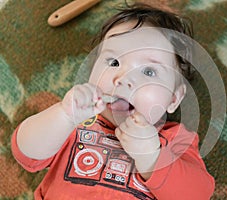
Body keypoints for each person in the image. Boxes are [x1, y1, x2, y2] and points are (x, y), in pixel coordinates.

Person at [11, 3, 215, 200]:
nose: (123, 78)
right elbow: (25, 152)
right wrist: (64, 116)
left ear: (173, 98)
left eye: (149, 71)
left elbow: (198, 194)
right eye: (114, 62)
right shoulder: (77, 120)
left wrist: (152, 157)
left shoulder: (175, 139)